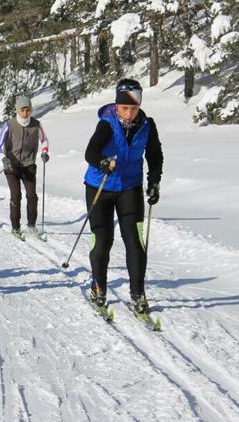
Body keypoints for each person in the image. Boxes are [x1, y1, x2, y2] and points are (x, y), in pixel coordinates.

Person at [83, 78, 163, 314]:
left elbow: (155, 156)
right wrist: (103, 162)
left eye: (134, 108)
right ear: (117, 105)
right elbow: (91, 152)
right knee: (103, 240)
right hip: (101, 185)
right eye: (125, 108)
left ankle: (138, 292)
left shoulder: (147, 125)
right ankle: (99, 286)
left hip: (130, 187)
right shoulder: (107, 124)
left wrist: (154, 182)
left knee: (136, 242)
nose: (129, 113)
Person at [0, 95, 49, 240]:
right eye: (23, 110)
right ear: (17, 110)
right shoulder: (9, 124)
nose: (25, 113)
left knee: (32, 196)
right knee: (16, 195)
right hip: (11, 166)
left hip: (29, 164)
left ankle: (31, 226)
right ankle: (15, 227)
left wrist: (44, 152)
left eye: (28, 110)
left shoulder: (36, 124)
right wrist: (3, 158)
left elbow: (44, 140)